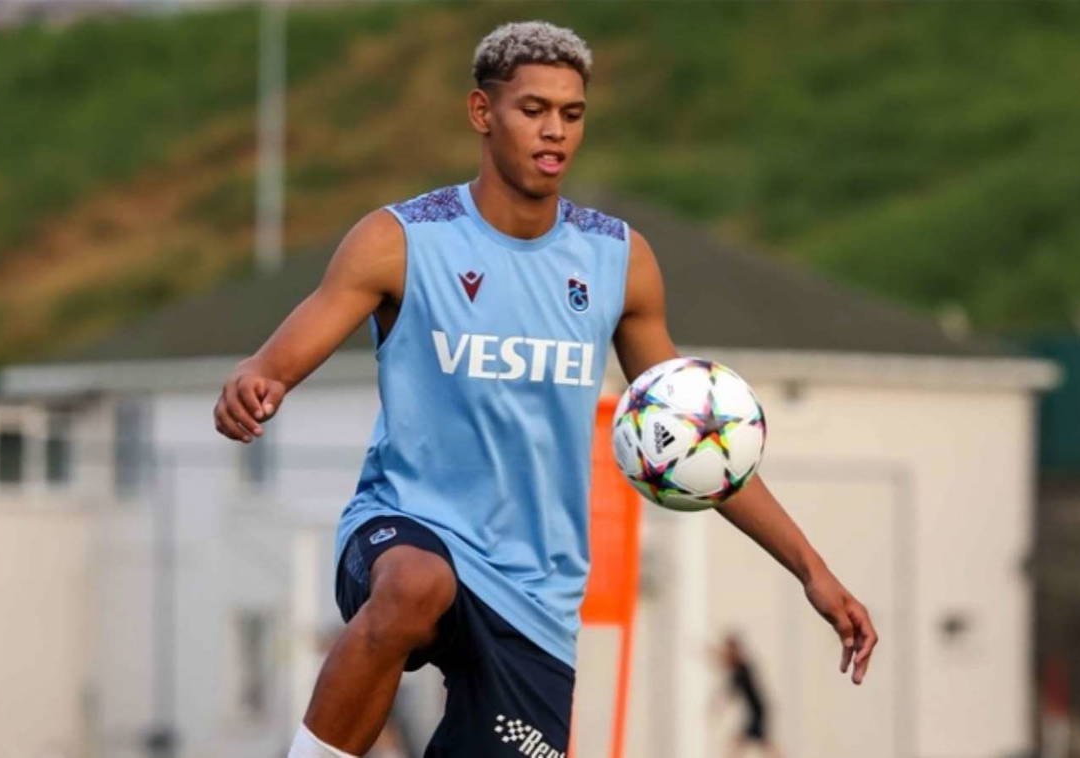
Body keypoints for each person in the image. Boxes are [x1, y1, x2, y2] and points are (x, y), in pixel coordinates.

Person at [213, 20, 878, 758]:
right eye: (533, 109)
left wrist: (813, 572)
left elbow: (698, 444)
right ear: (482, 112)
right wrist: (256, 381)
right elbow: (275, 363)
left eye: (572, 113)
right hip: (406, 528)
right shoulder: (401, 240)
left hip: (535, 590)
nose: (555, 130)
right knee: (414, 587)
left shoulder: (618, 260)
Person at [712, 633, 782, 758]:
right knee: (760, 743)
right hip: (757, 710)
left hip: (757, 712)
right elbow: (724, 660)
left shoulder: (742, 669)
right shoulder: (740, 668)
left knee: (742, 743)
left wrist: (719, 706)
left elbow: (730, 692)